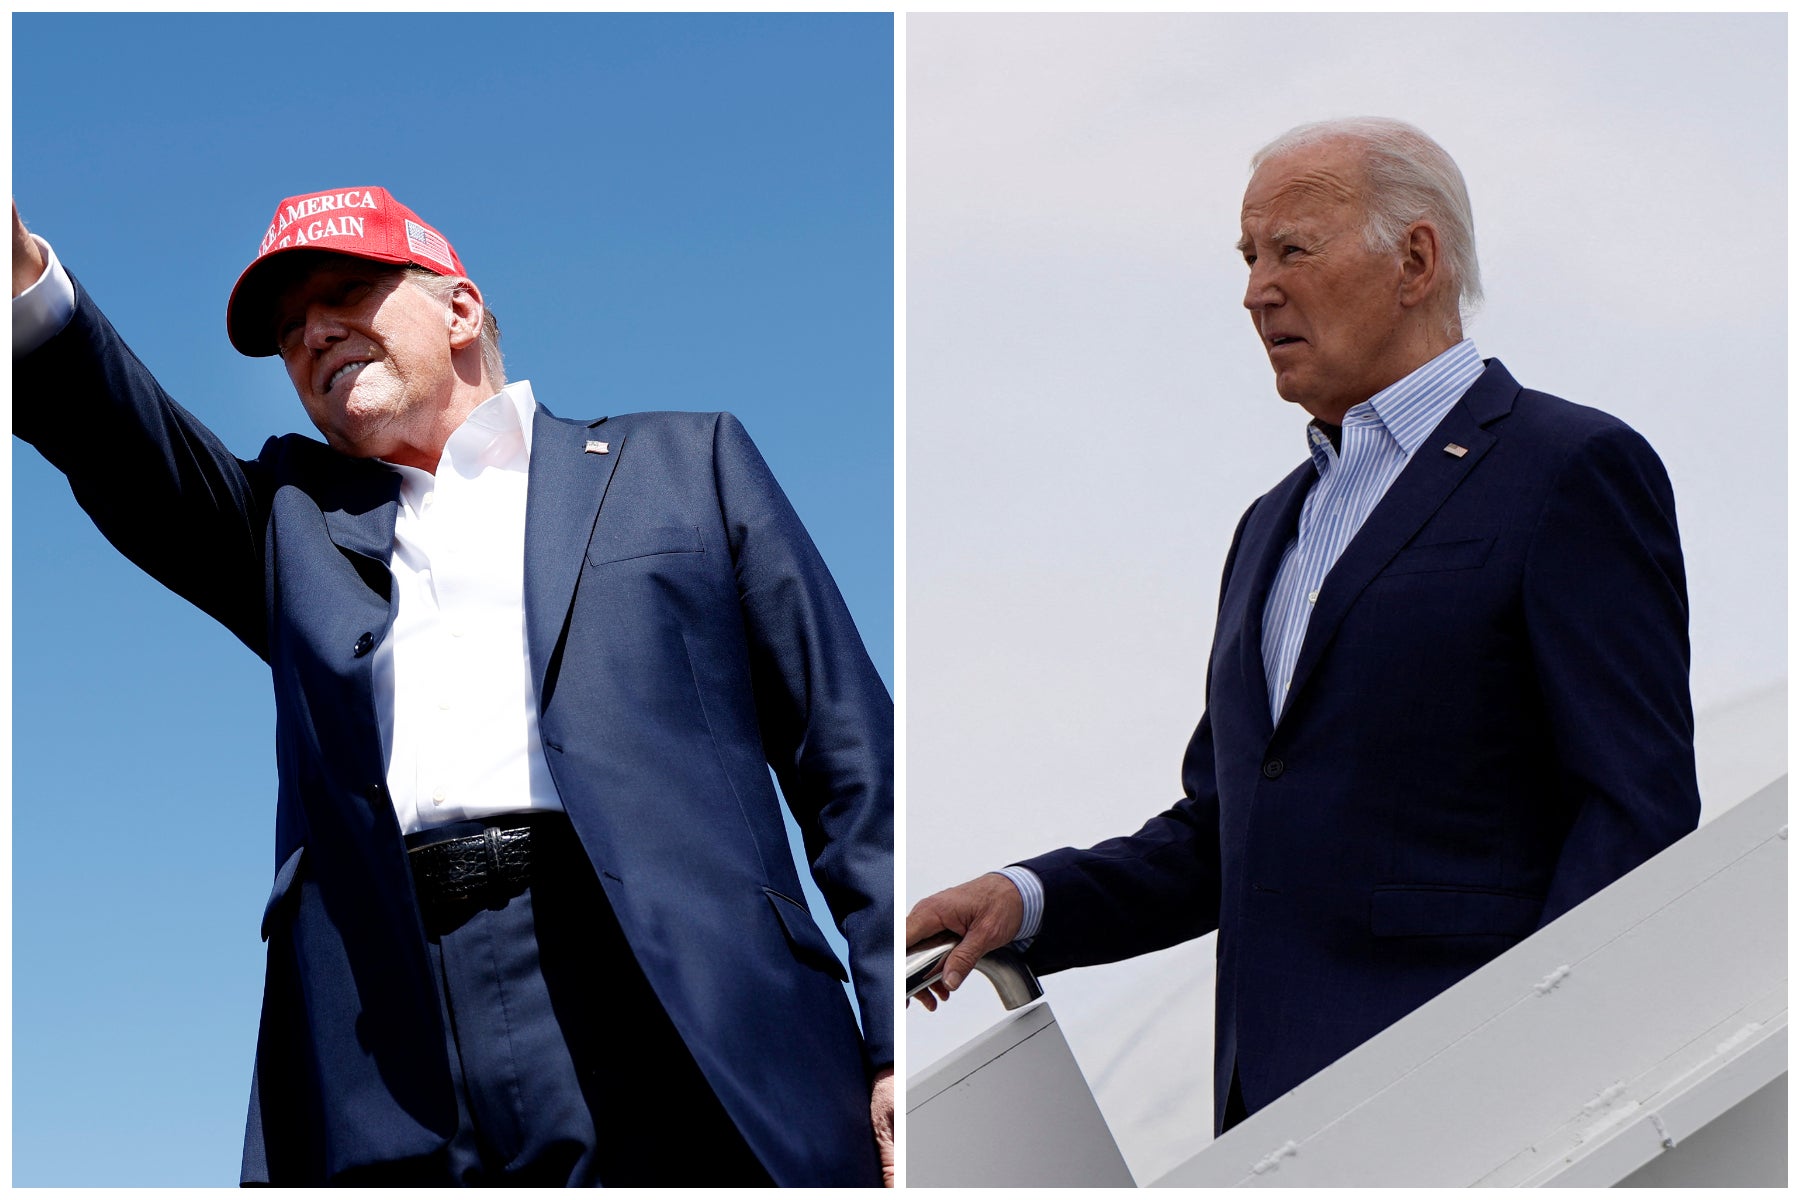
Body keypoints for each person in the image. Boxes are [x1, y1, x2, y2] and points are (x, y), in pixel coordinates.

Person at [13, 187, 894, 1186]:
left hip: (668, 989)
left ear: (460, 310)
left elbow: (853, 759)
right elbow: (120, 440)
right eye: (288, 332)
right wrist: (19, 281)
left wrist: (894, 1032)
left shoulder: (684, 466)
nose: (311, 335)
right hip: (388, 1028)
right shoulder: (286, 526)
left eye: (344, 293)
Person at [906, 117, 1700, 1135]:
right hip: (1273, 1121)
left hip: (1479, 1100)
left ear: (1415, 259)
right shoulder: (1269, 527)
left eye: (1292, 249)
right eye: (1247, 258)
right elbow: (1232, 832)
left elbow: (1634, 808)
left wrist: (1535, 1066)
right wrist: (1029, 899)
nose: (1255, 290)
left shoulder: (1568, 467)